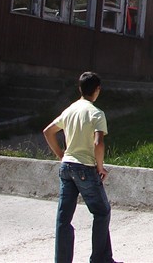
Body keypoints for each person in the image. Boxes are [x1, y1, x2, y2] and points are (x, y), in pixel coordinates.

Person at [43, 71, 117, 263]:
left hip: (67, 167)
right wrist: (100, 167)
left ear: (80, 89)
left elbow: (48, 132)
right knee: (102, 212)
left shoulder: (70, 110)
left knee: (63, 218)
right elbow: (98, 143)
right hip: (85, 168)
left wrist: (62, 155)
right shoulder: (96, 113)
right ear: (98, 90)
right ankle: (100, 259)